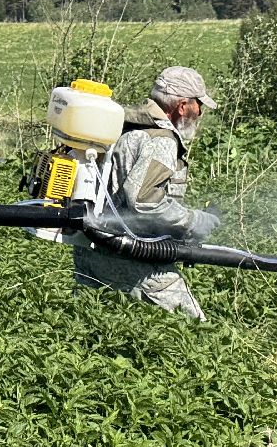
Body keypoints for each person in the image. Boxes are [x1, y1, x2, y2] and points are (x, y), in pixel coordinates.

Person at [73, 66, 220, 319]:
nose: (200, 113)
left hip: (90, 247)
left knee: (93, 322)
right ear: (182, 106)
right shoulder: (161, 140)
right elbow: (144, 201)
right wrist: (194, 220)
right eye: (199, 105)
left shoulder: (124, 125)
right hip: (132, 254)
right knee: (193, 326)